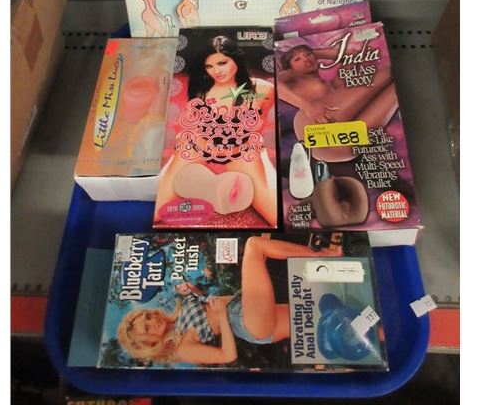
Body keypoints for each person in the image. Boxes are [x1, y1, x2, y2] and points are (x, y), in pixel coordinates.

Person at [117, 235, 340, 365]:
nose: (152, 320)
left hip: (243, 309)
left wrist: (193, 290)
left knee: (320, 319)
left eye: (147, 317)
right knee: (255, 245)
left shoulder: (178, 320)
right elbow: (228, 355)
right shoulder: (181, 349)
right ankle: (327, 255)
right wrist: (222, 316)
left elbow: (208, 308)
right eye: (147, 328)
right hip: (247, 321)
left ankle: (361, 330)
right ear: (148, 344)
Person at [155, 35, 277, 227]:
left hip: (241, 153)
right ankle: (203, 179)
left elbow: (259, 123)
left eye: (222, 63)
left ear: (236, 59)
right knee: (157, 212)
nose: (216, 71)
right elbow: (197, 123)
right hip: (199, 150)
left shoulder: (264, 89)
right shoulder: (201, 90)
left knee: (276, 217)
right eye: (209, 66)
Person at [277, 44, 398, 162]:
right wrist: (307, 107)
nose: (305, 59)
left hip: (336, 149)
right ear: (289, 67)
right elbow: (274, 85)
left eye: (308, 55)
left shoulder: (336, 83)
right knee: (389, 73)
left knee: (396, 90)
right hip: (313, 129)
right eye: (297, 59)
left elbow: (352, 55)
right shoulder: (291, 75)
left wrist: (315, 53)